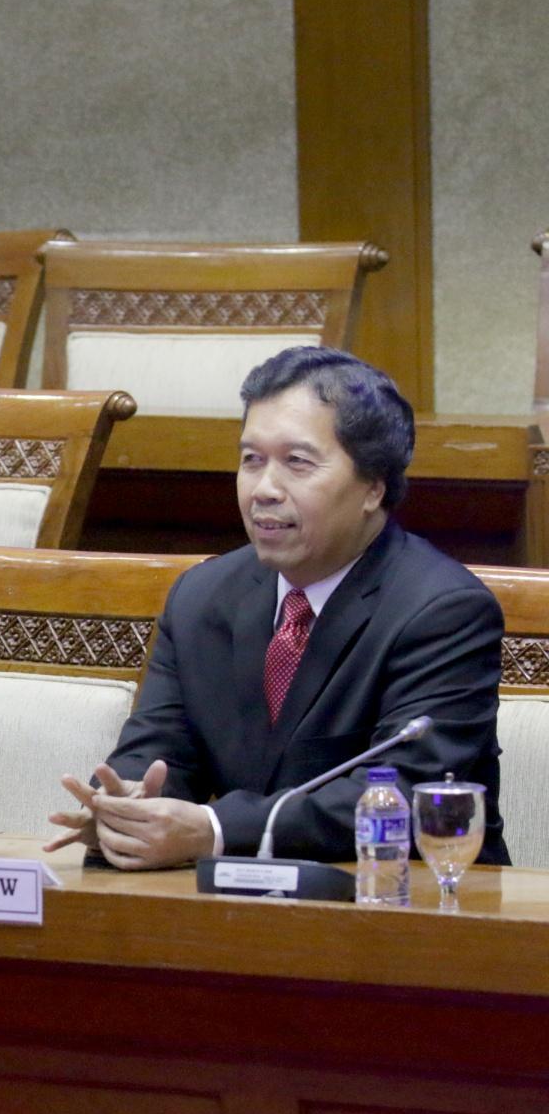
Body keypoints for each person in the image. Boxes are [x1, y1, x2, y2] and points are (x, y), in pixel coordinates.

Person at [46, 345, 506, 869]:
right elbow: (159, 748)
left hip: (413, 894)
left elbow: (404, 791)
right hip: (241, 899)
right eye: (251, 460)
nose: (264, 489)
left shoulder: (444, 611)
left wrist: (215, 829)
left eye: (297, 462)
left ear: (373, 488)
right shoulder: (202, 596)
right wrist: (129, 805)